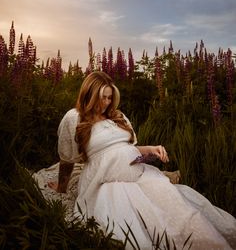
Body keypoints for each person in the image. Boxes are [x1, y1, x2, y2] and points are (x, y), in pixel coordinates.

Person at [49, 71, 236, 249]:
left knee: (181, 209)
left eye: (109, 97)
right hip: (108, 182)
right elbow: (66, 158)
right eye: (102, 97)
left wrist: (151, 149)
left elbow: (128, 148)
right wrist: (61, 186)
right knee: (140, 222)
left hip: (139, 172)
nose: (106, 102)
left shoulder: (117, 117)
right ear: (89, 94)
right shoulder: (75, 118)